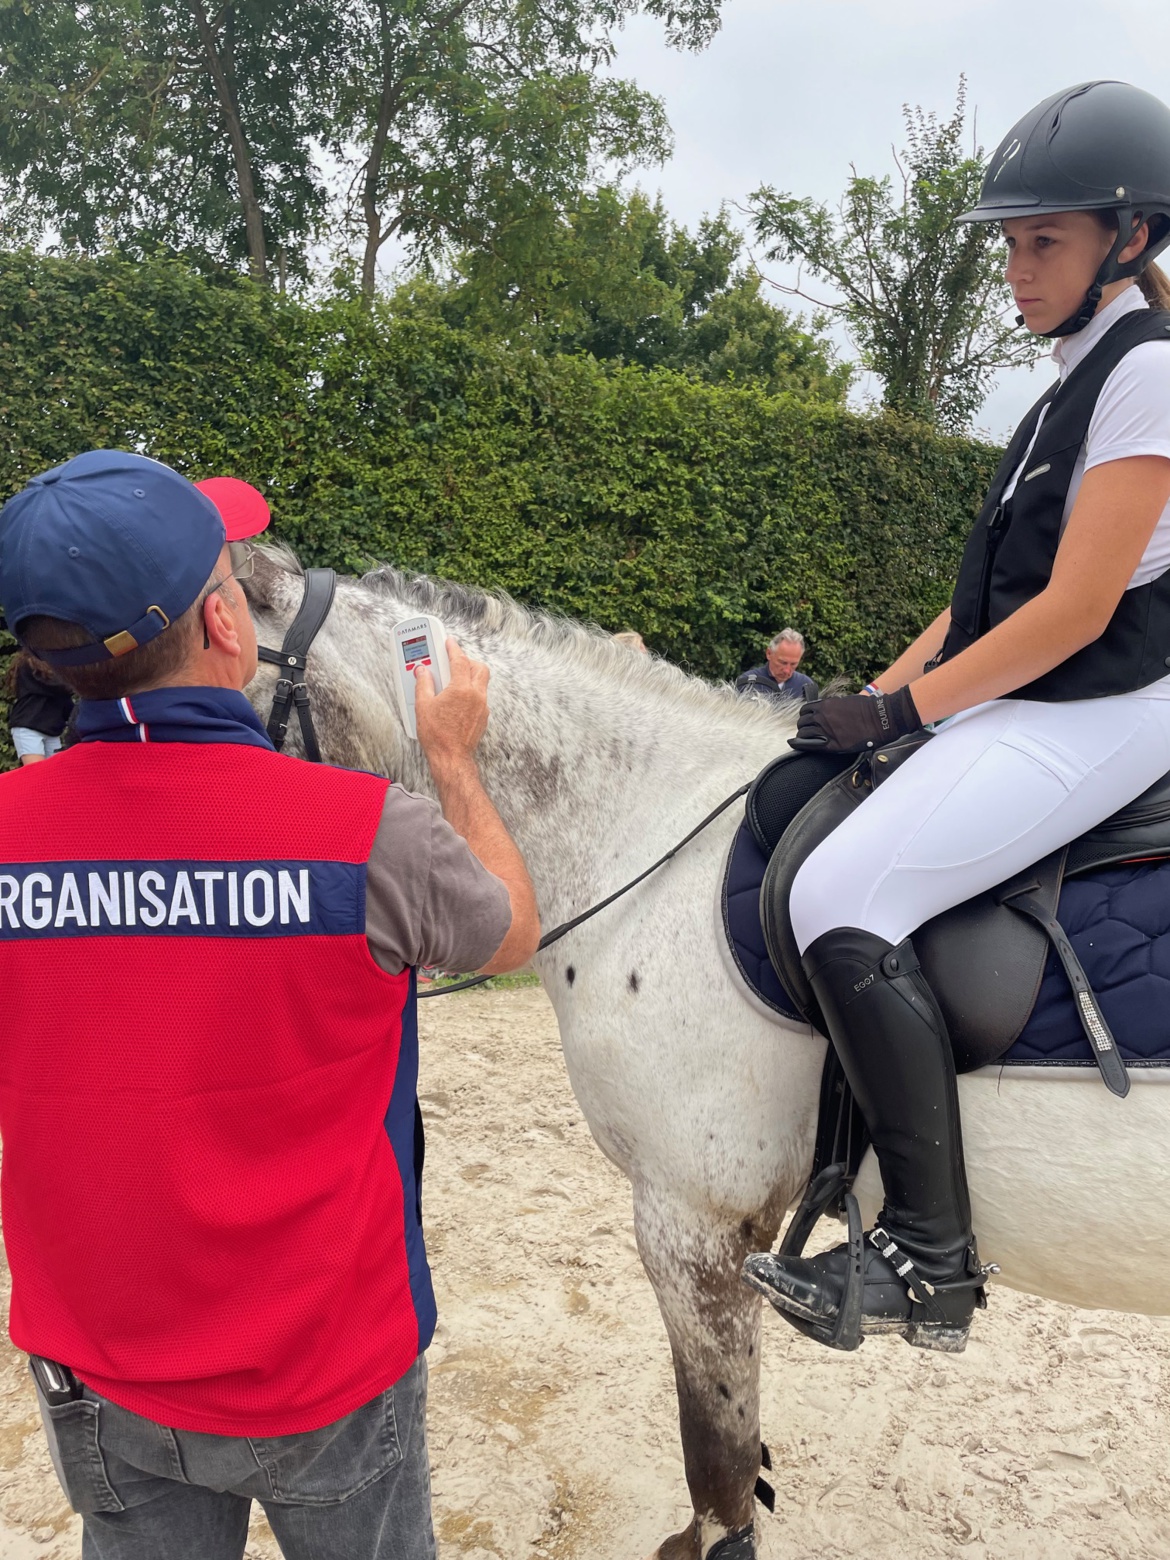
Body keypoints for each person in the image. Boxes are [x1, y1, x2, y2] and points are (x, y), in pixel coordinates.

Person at [0, 450, 541, 1558]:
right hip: (325, 1361)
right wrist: (453, 762)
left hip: (96, 1362)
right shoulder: (367, 830)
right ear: (226, 623)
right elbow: (508, 933)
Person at [742, 80, 1170, 1354]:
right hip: (1044, 682)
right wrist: (876, 697)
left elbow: (1079, 612)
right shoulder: (1060, 391)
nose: (1014, 267)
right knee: (805, 811)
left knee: (842, 897)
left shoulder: (1145, 375)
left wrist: (910, 711)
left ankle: (932, 1257)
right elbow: (984, 600)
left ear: (1129, 238)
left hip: (1115, 701)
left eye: (1043, 241)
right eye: (1008, 241)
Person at [6, 650, 74, 763]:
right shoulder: (28, 663)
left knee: (55, 775)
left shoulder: (57, 665)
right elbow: (58, 686)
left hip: (52, 731)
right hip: (28, 728)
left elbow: (66, 703)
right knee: (36, 773)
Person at [735, 629, 819, 704]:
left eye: (793, 664)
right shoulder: (747, 683)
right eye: (782, 662)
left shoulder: (806, 686)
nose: (787, 670)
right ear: (769, 653)